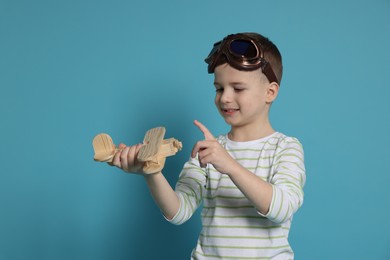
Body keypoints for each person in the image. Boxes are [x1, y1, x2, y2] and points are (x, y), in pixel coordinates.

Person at [111, 32, 306, 259]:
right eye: (219, 88)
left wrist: (230, 165)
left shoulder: (286, 148)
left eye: (238, 88)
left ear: (270, 92)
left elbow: (281, 209)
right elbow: (179, 211)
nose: (224, 98)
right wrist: (151, 173)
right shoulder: (209, 151)